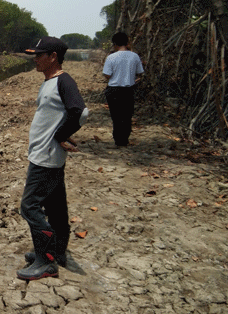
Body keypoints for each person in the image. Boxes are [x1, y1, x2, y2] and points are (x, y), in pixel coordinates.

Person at [18, 36, 86, 281]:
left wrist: (61, 135)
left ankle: (46, 261)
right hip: (45, 154)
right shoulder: (51, 81)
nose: (35, 59)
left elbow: (80, 111)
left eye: (39, 55)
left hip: (45, 157)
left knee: (29, 207)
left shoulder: (64, 81)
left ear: (53, 57)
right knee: (56, 207)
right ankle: (57, 251)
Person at [102, 32, 144, 147]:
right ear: (127, 42)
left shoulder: (111, 57)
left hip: (114, 89)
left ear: (114, 44)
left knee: (116, 116)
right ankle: (124, 139)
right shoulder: (134, 56)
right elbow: (140, 72)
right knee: (127, 115)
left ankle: (118, 139)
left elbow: (107, 74)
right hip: (128, 89)